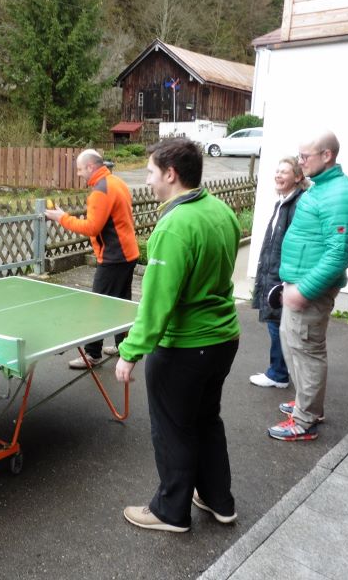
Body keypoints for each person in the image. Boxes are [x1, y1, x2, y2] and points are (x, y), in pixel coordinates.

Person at [115, 138, 240, 533]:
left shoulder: (173, 226)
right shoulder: (220, 210)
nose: (147, 180)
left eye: (150, 172)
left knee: (173, 429)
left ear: (171, 174)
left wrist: (130, 351)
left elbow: (157, 303)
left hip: (186, 346)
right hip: (223, 339)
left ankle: (171, 511)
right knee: (206, 420)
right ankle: (219, 500)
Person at [268, 131, 348, 441]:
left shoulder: (340, 195)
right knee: (293, 344)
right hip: (298, 284)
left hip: (310, 291)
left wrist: (304, 290)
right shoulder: (321, 187)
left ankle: (305, 420)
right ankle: (306, 404)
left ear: (327, 155)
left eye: (305, 156)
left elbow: (339, 255)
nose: (300, 162)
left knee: (307, 351)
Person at [44, 149, 139, 368]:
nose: (78, 174)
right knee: (121, 304)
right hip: (128, 253)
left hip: (114, 257)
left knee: (97, 306)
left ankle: (92, 354)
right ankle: (123, 346)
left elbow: (92, 227)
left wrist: (62, 218)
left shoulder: (100, 192)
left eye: (80, 169)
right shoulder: (116, 182)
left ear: (90, 167)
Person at [249, 157, 309, 389]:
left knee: (277, 324)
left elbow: (297, 245)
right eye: (277, 171)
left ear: (298, 177)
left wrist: (287, 279)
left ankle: (278, 374)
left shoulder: (298, 204)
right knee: (277, 324)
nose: (278, 175)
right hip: (274, 273)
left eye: (284, 172)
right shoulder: (282, 203)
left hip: (283, 276)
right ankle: (280, 371)